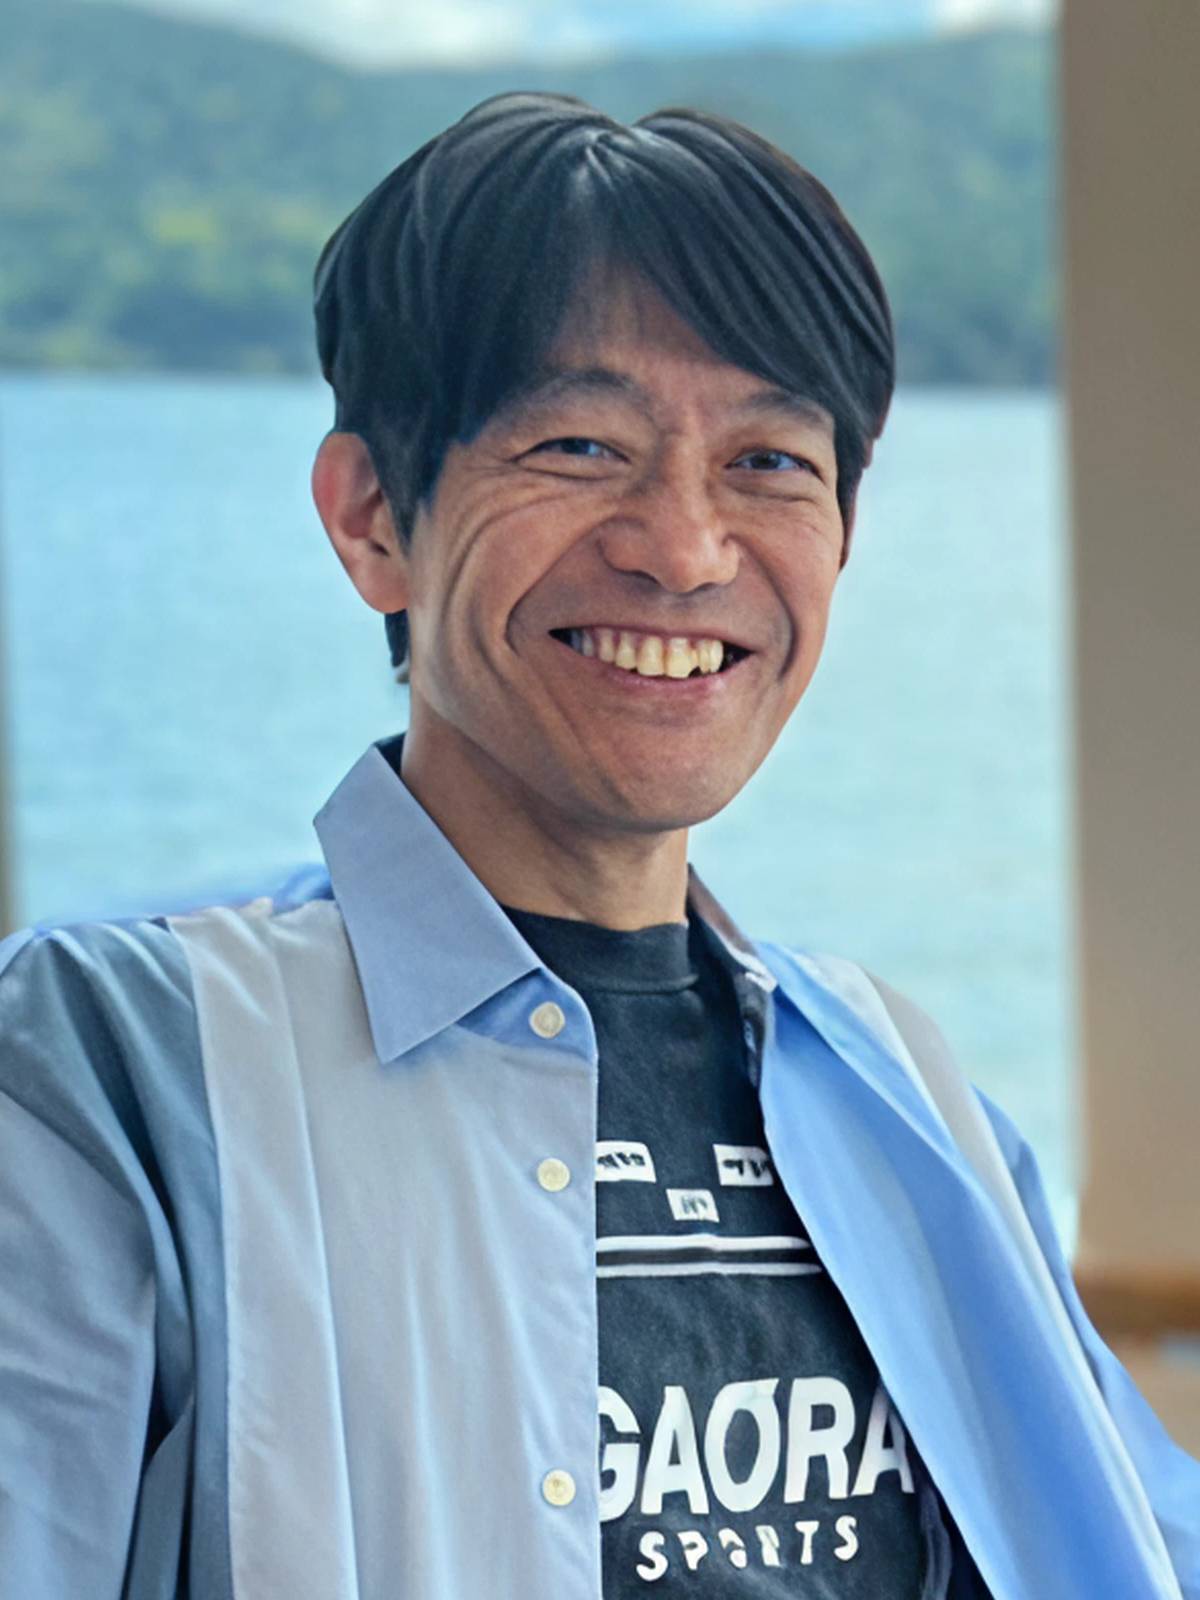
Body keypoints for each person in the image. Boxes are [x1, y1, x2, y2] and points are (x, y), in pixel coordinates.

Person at [0, 91, 1197, 1600]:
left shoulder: (907, 1090)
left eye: (770, 463)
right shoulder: (115, 1071)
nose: (684, 549)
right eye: (579, 444)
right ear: (373, 519)